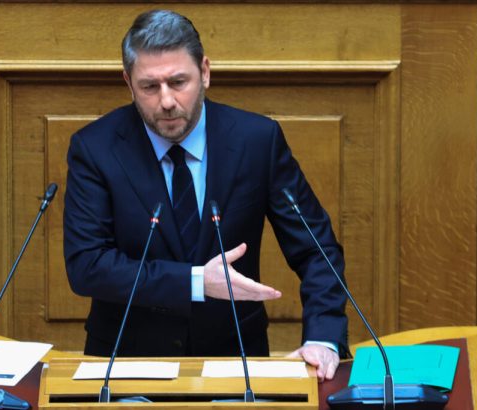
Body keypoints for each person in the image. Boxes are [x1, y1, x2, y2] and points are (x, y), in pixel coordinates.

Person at [64, 9, 348, 381]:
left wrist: (323, 338)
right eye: (150, 87)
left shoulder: (256, 141)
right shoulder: (96, 148)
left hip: (236, 363)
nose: (167, 101)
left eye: (178, 82)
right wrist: (195, 281)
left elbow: (315, 248)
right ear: (128, 83)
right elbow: (87, 265)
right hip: (127, 365)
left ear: (205, 72)